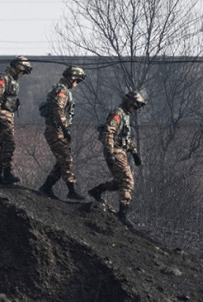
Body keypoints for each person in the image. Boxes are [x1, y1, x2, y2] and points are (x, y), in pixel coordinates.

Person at [88, 90, 146, 226]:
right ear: (129, 102)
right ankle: (122, 214)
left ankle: (97, 190)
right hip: (115, 150)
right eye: (135, 106)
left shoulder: (126, 116)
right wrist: (109, 153)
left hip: (121, 150)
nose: (135, 109)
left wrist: (135, 153)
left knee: (120, 182)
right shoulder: (117, 114)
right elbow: (109, 133)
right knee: (127, 180)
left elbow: (125, 138)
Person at [38, 65, 86, 200]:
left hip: (58, 130)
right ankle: (72, 190)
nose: (77, 84)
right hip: (56, 130)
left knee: (62, 161)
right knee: (66, 158)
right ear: (71, 78)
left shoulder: (62, 90)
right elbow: (58, 110)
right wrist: (65, 129)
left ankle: (47, 187)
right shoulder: (61, 91)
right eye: (77, 81)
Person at [0, 56, 33, 185]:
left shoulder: (13, 80)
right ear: (18, 68)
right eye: (23, 71)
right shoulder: (3, 78)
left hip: (8, 116)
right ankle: (5, 173)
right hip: (1, 116)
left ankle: (0, 175)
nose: (23, 75)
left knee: (7, 145)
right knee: (9, 144)